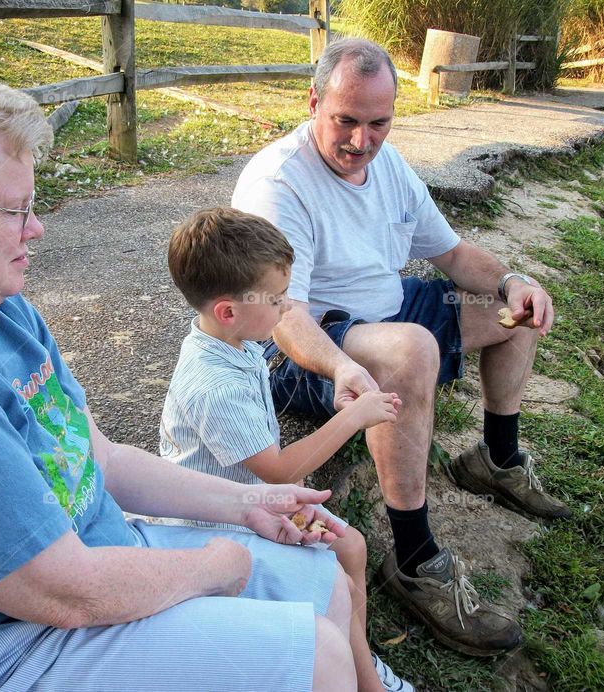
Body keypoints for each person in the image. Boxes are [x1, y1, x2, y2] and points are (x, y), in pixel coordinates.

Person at [0, 60, 362, 692]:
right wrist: (215, 565)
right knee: (314, 657)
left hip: (76, 570)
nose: (37, 227)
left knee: (323, 584)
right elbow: (64, 592)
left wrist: (250, 503)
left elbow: (99, 460)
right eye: (14, 209)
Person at [232, 37, 570, 657]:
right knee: (410, 350)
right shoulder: (277, 183)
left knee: (515, 313)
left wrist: (511, 280)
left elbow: (454, 253)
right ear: (313, 103)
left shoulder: (388, 165)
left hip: (391, 307)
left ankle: (495, 459)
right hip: (308, 345)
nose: (363, 142)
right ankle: (414, 559)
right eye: (346, 122)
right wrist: (343, 367)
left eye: (379, 123)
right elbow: (280, 316)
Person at [160, 207, 411, 692]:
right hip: (218, 520)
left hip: (253, 497)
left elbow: (272, 468)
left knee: (352, 547)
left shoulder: (236, 340)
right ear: (229, 310)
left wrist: (339, 376)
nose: (287, 306)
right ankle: (366, 679)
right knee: (328, 563)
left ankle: (361, 663)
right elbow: (278, 470)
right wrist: (352, 419)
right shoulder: (213, 386)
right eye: (276, 299)